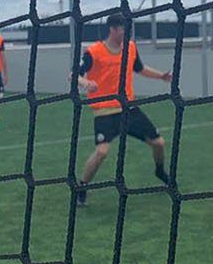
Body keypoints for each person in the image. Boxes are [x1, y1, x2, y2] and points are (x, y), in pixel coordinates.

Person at [73, 11, 172, 207]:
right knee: (102, 152)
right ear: (113, 29)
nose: (127, 33)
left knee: (159, 143)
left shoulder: (131, 48)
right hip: (105, 112)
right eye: (124, 30)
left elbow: (140, 69)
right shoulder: (94, 52)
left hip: (128, 109)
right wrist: (86, 83)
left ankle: (160, 171)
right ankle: (82, 187)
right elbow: (74, 75)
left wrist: (161, 76)